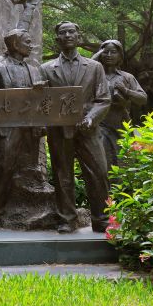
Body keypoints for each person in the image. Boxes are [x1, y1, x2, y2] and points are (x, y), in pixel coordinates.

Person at [41, 21, 111, 233]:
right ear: (57, 39)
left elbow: (104, 99)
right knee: (63, 175)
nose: (68, 35)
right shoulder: (46, 69)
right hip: (59, 130)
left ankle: (102, 219)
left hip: (88, 129)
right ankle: (67, 219)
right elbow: (42, 101)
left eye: (72, 31)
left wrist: (91, 118)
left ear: (78, 36)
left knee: (99, 173)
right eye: (63, 32)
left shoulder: (95, 67)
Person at [0, 29, 47, 225]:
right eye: (27, 41)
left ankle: (23, 210)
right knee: (3, 168)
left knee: (29, 169)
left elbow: (42, 101)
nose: (31, 45)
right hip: (8, 127)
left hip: (30, 128)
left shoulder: (34, 69)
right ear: (14, 44)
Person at [92, 40, 147, 172]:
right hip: (100, 124)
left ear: (120, 56)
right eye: (105, 52)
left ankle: (121, 191)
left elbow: (143, 99)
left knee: (123, 163)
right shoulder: (93, 76)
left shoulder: (127, 77)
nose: (109, 55)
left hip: (121, 125)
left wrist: (126, 91)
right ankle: (105, 191)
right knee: (102, 162)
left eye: (113, 52)